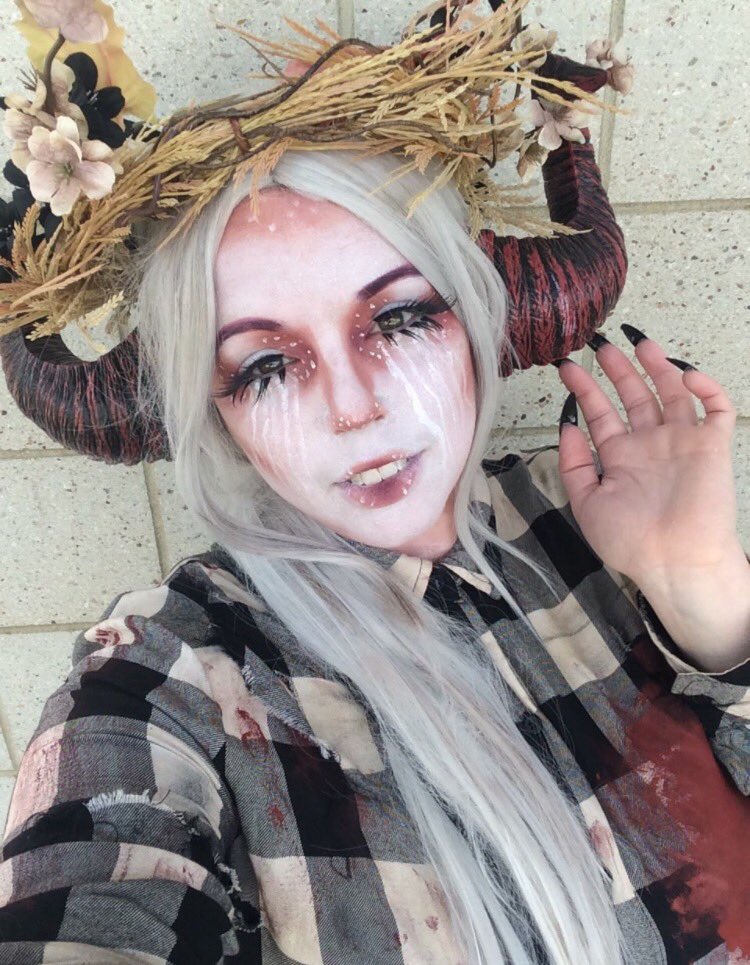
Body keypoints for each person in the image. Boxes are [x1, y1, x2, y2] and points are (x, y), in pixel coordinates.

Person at [0, 2, 748, 963]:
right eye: (265, 366)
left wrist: (707, 594)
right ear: (216, 410)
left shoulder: (607, 506)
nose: (353, 408)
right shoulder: (175, 672)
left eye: (397, 319)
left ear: (474, 320)